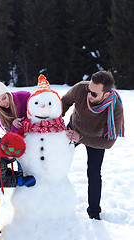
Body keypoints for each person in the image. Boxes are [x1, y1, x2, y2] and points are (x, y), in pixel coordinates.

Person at [61, 70, 124, 220]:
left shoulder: (115, 108)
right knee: (55, 162)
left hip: (97, 139)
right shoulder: (80, 89)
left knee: (94, 174)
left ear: (107, 94)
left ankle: (94, 213)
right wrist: (55, 121)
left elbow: (109, 142)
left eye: (94, 94)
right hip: (74, 129)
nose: (89, 95)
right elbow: (64, 102)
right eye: (89, 90)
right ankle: (53, 203)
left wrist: (81, 138)